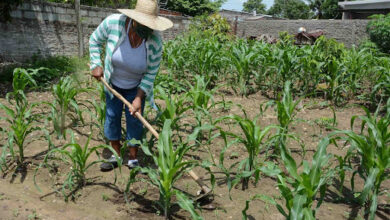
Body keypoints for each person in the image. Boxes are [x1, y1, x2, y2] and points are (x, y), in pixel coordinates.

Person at [89, 0, 173, 171]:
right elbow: (94, 40)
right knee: (112, 116)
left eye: (149, 26)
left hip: (136, 86)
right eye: (142, 24)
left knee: (135, 120)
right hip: (113, 82)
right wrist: (96, 64)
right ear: (133, 19)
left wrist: (138, 98)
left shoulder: (155, 41)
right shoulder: (114, 23)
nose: (146, 29)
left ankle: (133, 157)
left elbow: (151, 73)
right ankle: (115, 154)